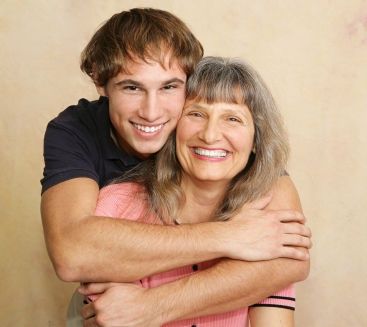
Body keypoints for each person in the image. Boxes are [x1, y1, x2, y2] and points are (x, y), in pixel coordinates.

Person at [40, 8, 311, 325]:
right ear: (101, 83)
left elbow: (290, 260)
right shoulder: (77, 133)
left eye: (169, 87)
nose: (151, 112)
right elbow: (73, 255)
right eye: (132, 87)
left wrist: (154, 305)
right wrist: (227, 237)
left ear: (189, 83)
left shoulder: (223, 147)